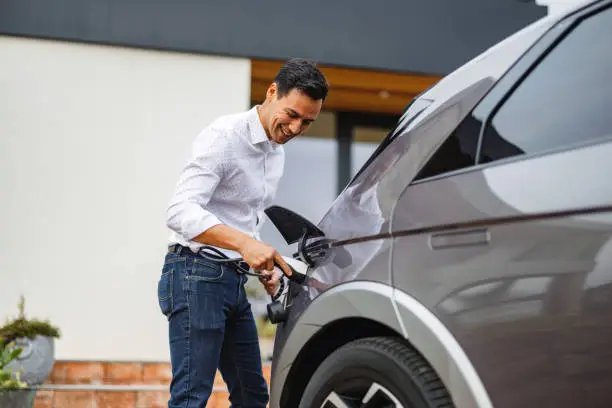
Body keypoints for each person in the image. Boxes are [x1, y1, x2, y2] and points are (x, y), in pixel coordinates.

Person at [157, 58, 328, 408]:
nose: (296, 128)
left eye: (307, 122)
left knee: (252, 396)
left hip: (232, 281)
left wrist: (260, 262)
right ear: (272, 92)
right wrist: (245, 244)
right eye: (292, 114)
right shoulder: (224, 136)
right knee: (191, 398)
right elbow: (179, 211)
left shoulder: (276, 153)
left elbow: (244, 220)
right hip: (194, 274)